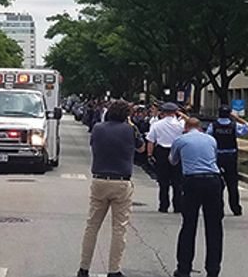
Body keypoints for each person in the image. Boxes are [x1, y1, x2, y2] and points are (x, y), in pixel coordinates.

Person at [77, 100, 142, 277]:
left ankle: (84, 267)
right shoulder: (130, 130)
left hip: (99, 179)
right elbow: (141, 147)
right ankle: (114, 269)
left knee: (92, 226)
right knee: (119, 228)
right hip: (121, 180)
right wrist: (131, 125)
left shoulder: (98, 128)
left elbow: (93, 144)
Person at [170, 118, 224, 277]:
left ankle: (184, 268)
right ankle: (213, 270)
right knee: (214, 227)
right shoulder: (211, 139)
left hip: (192, 181)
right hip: (213, 181)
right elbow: (214, 157)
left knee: (188, 225)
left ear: (186, 127)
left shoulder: (180, 140)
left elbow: (173, 161)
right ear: (200, 128)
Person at [205, 106, 248, 216]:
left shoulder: (213, 126)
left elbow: (207, 137)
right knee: (232, 184)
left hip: (217, 156)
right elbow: (247, 127)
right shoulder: (234, 126)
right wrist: (237, 118)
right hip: (231, 156)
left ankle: (218, 208)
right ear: (229, 114)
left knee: (217, 183)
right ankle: (236, 208)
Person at [146, 102, 185, 213]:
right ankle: (178, 206)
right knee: (177, 181)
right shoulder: (180, 124)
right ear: (175, 112)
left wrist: (150, 155)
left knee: (163, 181)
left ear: (163, 112)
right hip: (176, 151)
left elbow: (151, 141)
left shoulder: (157, 124)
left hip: (162, 152)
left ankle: (164, 205)